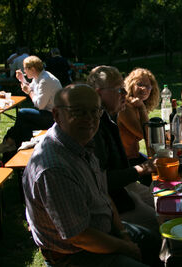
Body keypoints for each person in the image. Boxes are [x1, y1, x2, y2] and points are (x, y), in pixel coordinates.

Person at [23, 84, 161, 267]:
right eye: (79, 112)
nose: (89, 119)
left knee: (159, 243)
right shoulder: (55, 169)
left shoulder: (81, 142)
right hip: (75, 254)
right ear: (56, 114)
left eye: (95, 111)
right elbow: (79, 237)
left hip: (105, 232)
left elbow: (103, 194)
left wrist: (122, 233)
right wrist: (126, 247)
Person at [86, 66, 159, 232]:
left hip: (125, 187)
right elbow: (102, 182)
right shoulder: (93, 128)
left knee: (166, 203)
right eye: (119, 90)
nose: (124, 94)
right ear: (99, 93)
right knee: (161, 221)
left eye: (124, 89)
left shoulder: (107, 117)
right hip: (113, 200)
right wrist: (142, 169)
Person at [0, 55, 62, 154]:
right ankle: (19, 149)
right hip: (46, 113)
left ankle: (10, 141)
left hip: (53, 117)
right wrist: (22, 79)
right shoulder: (38, 77)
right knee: (24, 125)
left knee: (22, 113)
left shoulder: (45, 80)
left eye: (25, 68)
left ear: (32, 69)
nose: (24, 71)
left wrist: (29, 92)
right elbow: (30, 88)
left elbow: (39, 105)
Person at [117, 68, 160, 167]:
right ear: (131, 85)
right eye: (140, 84)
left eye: (148, 86)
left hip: (133, 156)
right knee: (160, 170)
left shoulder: (134, 105)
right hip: (124, 161)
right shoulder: (125, 106)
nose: (144, 89)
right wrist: (142, 107)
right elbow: (144, 134)